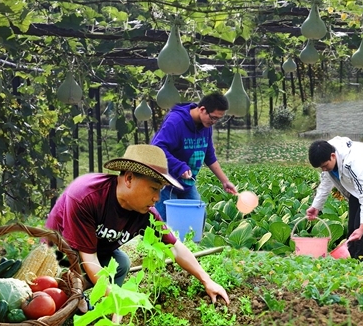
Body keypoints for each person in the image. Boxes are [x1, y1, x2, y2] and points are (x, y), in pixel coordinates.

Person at [46, 144, 230, 309]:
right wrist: (120, 298)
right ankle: (78, 300)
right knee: (69, 287)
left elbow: (175, 248)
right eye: (153, 188)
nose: (157, 198)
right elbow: (90, 260)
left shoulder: (146, 212)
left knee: (121, 262)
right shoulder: (87, 196)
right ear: (129, 179)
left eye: (160, 191)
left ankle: (98, 303)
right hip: (59, 253)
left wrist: (207, 281)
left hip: (95, 249)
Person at [305, 136, 363, 261]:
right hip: (358, 183)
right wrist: (316, 207)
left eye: (325, 166)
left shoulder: (352, 162)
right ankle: (351, 262)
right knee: (352, 228)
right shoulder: (325, 153)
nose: (324, 170)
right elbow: (325, 184)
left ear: (333, 156)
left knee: (361, 231)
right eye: (321, 168)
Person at [151, 92, 237, 221]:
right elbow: (156, 148)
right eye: (213, 118)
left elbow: (209, 155)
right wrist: (179, 166)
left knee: (198, 217)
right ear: (202, 109)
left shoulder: (206, 125)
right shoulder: (176, 122)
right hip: (166, 183)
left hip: (186, 183)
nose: (214, 122)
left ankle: (193, 242)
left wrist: (225, 181)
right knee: (165, 223)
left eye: (218, 119)